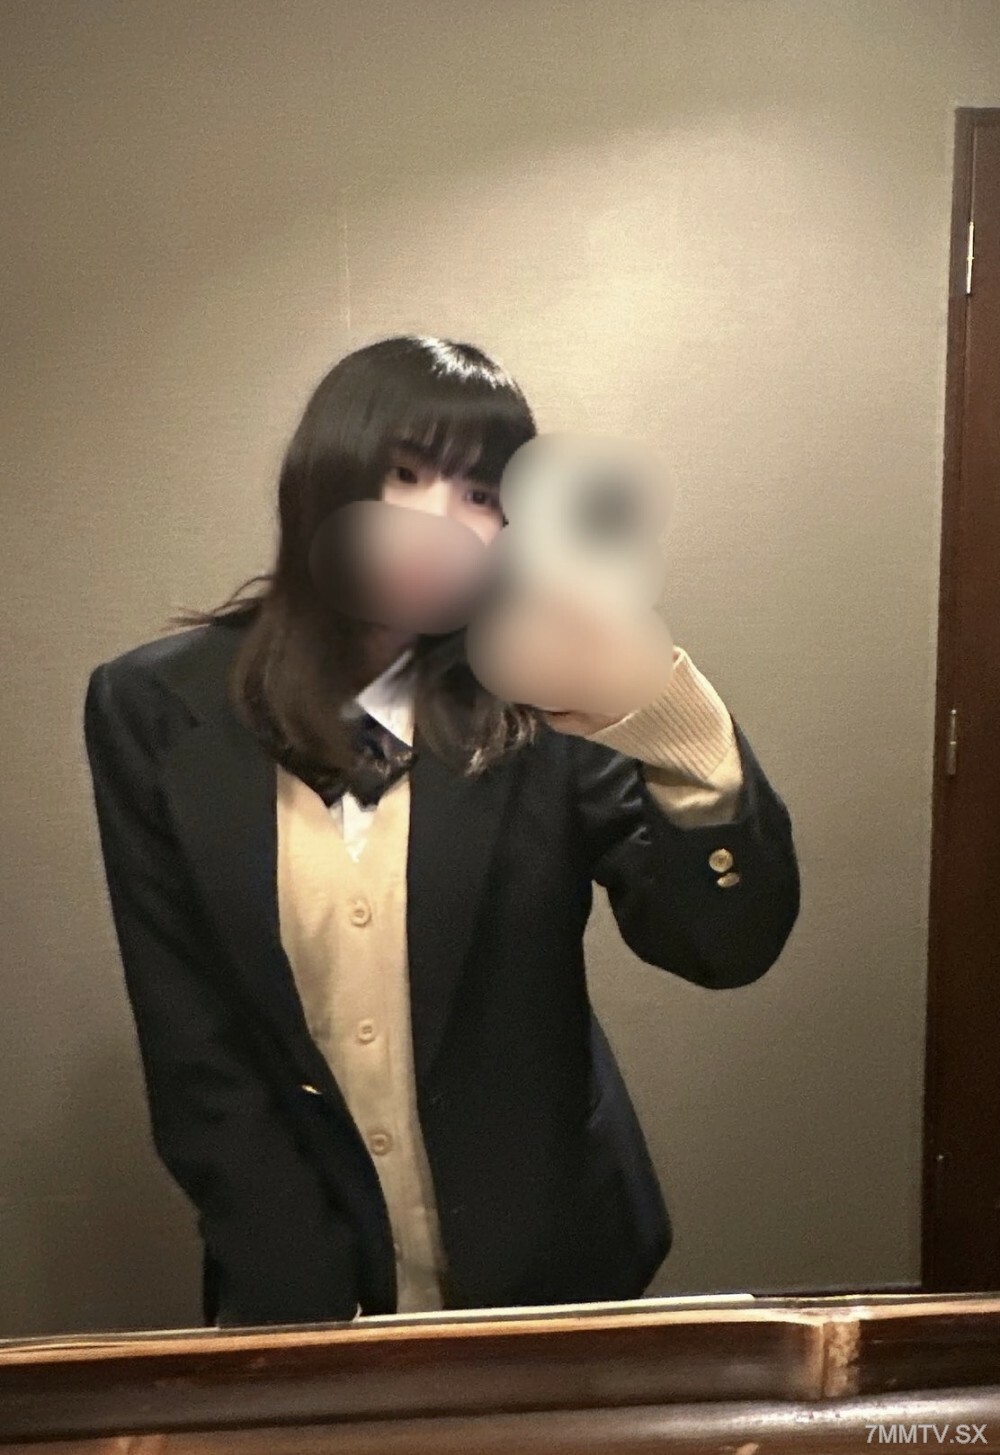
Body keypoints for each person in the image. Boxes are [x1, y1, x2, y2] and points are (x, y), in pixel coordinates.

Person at [83, 335, 799, 1328]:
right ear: (325, 478)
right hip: (297, 1283)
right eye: (406, 473)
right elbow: (190, 1037)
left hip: (556, 1273)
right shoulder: (154, 707)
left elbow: (719, 943)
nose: (437, 525)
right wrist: (301, 1293)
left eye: (481, 494)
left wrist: (679, 732)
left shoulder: (543, 687)